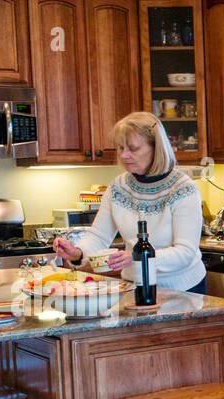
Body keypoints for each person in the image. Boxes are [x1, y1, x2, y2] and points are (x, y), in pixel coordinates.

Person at [53, 112, 206, 293]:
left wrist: (138, 257)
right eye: (120, 148)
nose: (124, 155)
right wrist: (77, 253)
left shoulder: (182, 189)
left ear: (155, 148)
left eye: (133, 149)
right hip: (135, 285)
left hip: (183, 288)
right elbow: (98, 237)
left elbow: (185, 253)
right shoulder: (119, 187)